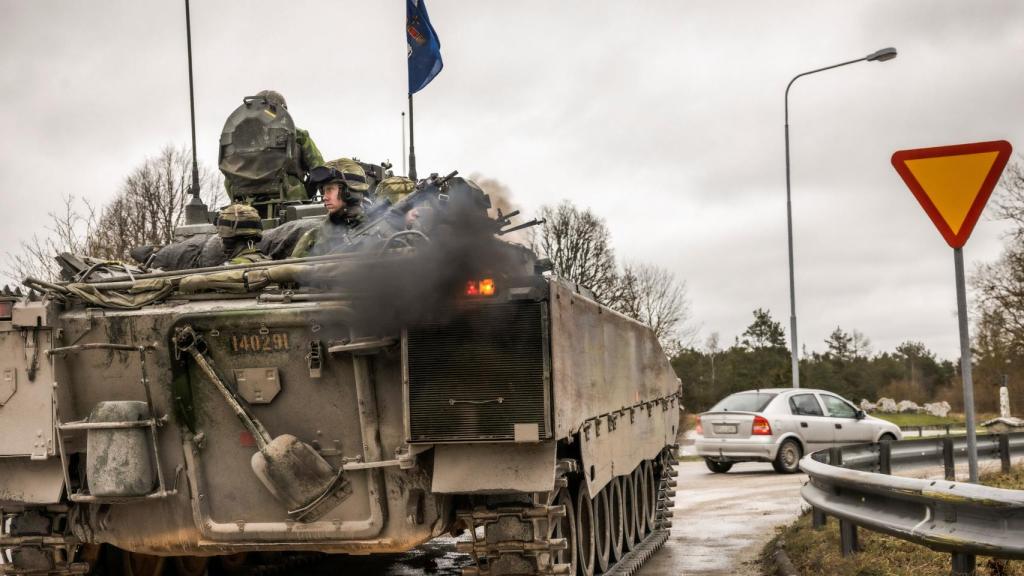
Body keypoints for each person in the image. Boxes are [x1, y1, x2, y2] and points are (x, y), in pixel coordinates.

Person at [219, 89, 324, 210]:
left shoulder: (237, 137)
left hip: (246, 206)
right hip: (292, 201)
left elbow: (229, 177)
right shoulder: (299, 136)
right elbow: (320, 170)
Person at [290, 158, 371, 258]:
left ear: (349, 191)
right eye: (323, 191)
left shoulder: (377, 225)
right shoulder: (314, 237)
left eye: (329, 190)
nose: (325, 197)